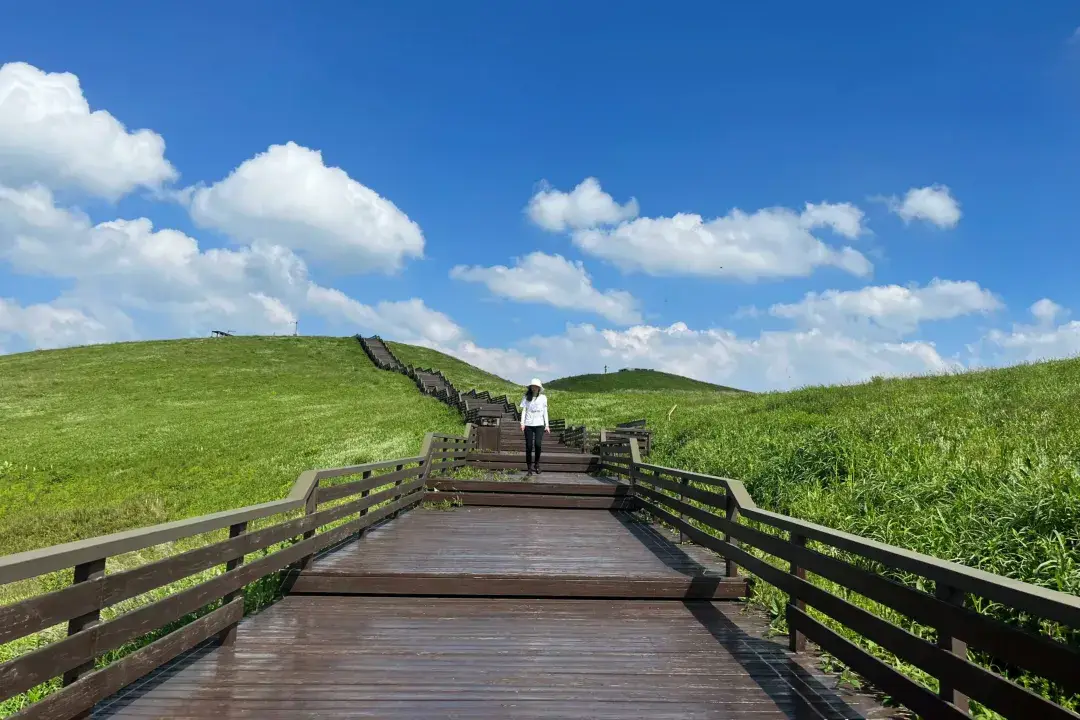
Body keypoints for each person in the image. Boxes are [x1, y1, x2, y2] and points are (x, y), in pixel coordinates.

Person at [519, 378, 550, 475]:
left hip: (539, 424)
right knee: (528, 446)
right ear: (531, 387)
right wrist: (522, 423)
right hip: (528, 424)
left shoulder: (543, 398)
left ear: (539, 388)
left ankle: (536, 464)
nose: (535, 388)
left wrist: (547, 425)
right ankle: (529, 469)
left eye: (537, 386)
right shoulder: (526, 397)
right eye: (533, 386)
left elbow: (545, 411)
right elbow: (524, 411)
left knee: (538, 444)